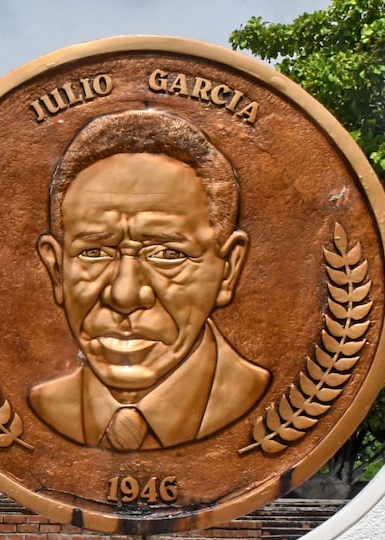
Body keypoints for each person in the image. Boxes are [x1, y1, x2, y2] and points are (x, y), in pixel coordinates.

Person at [28, 109, 269, 450]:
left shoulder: (257, 398)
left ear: (228, 269)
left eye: (167, 254)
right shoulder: (42, 408)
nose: (124, 294)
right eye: (94, 253)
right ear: (56, 270)